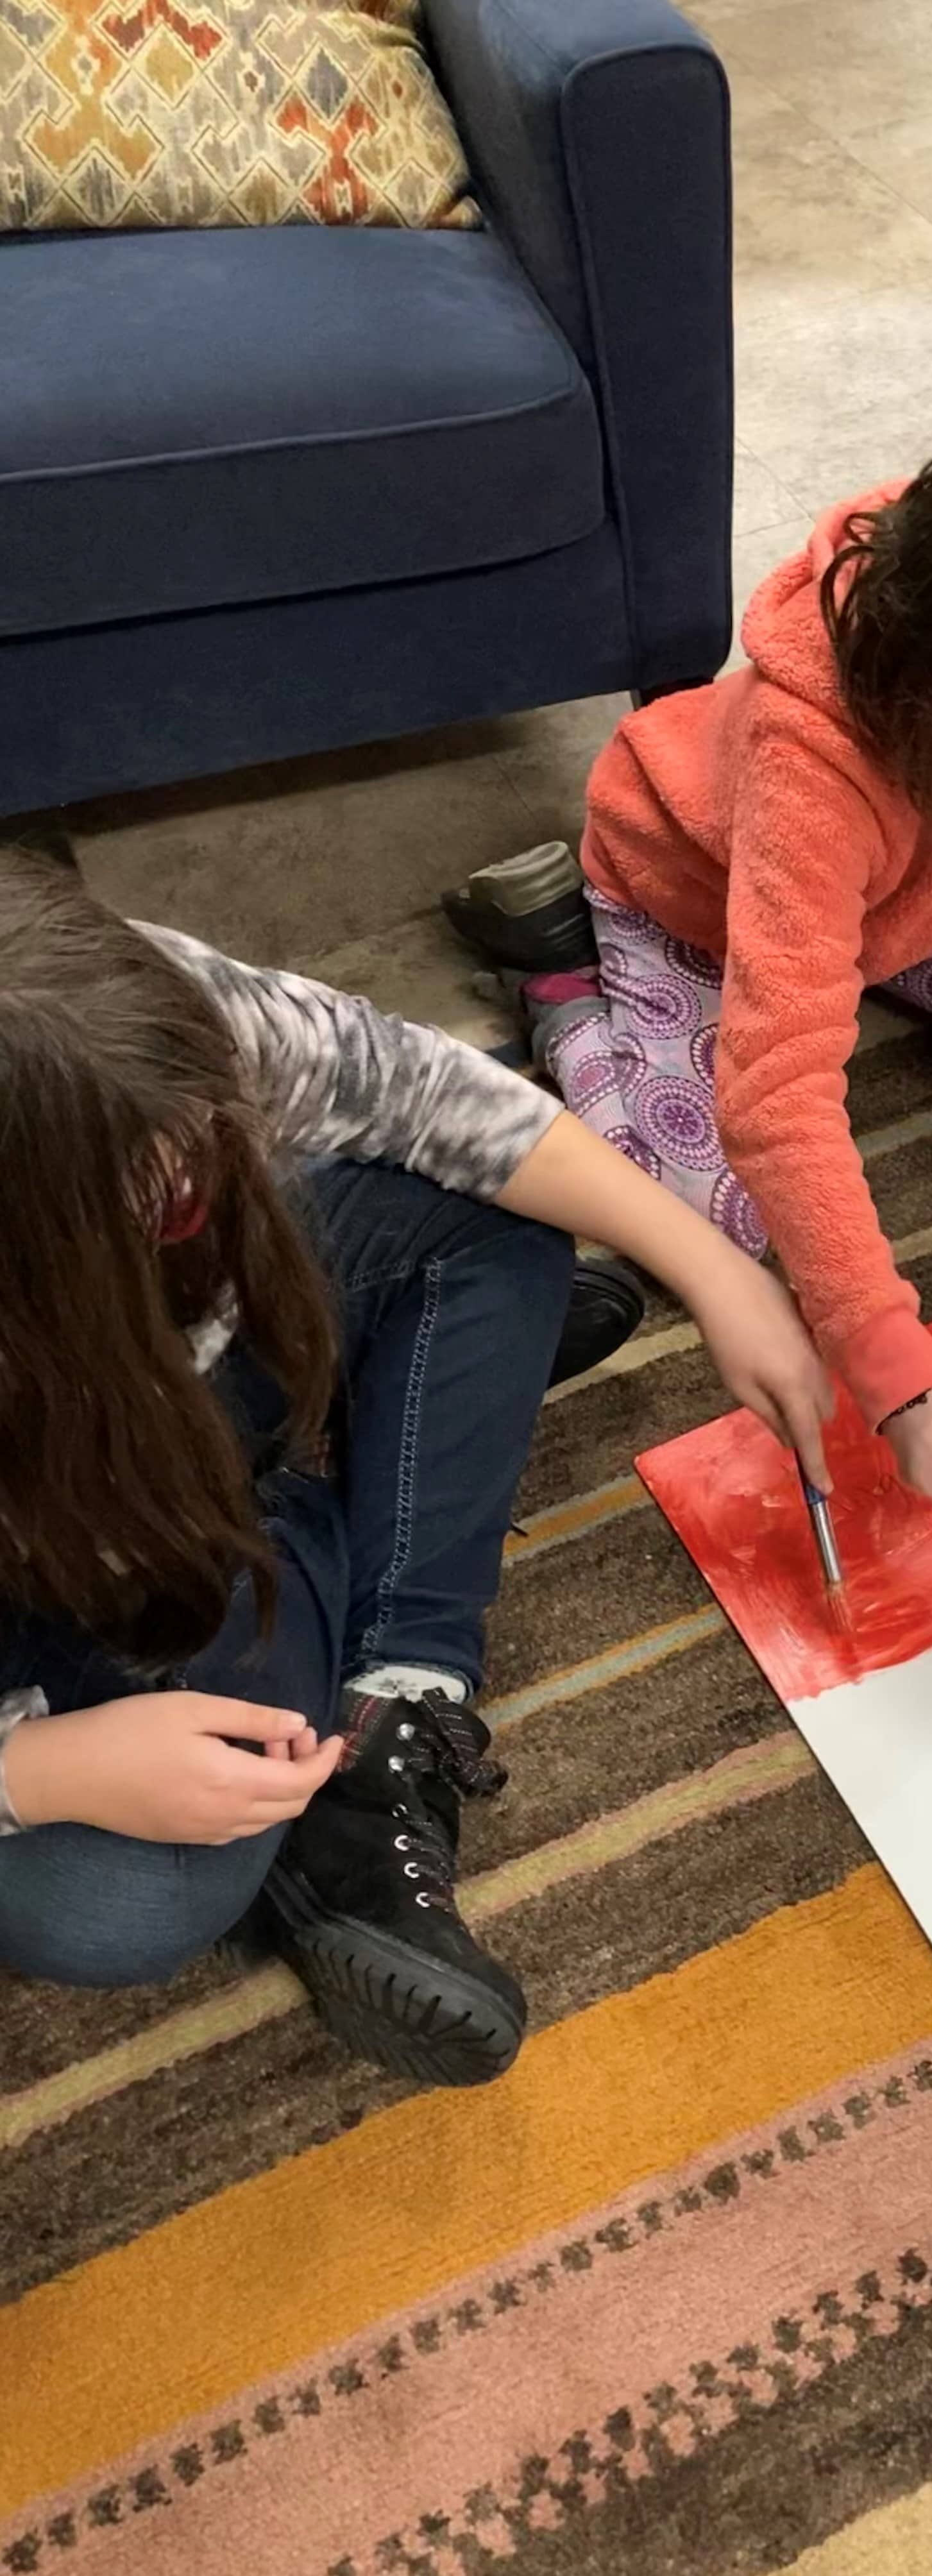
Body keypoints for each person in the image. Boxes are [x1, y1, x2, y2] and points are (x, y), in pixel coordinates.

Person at [0, 840, 830, 2082]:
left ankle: (400, 1685)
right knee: (124, 1906)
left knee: (514, 1210)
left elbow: (445, 1101)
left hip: (162, 1410)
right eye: (155, 1196)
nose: (202, 1186)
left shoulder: (130, 1017)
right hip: (59, 1561)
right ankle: (385, 1445)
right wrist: (40, 1770)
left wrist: (717, 1270)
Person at [443, 411, 932, 1523]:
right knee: (725, 1224)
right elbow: (777, 1090)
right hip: (695, 904)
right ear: (919, 676)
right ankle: (567, 992)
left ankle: (884, 983)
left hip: (905, 914)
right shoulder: (807, 753)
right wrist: (893, 1375)